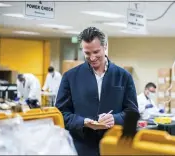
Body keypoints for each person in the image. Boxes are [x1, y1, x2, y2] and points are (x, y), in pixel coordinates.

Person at [55, 27, 138, 156]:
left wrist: (114, 119)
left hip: (114, 146)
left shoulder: (124, 76)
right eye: (87, 53)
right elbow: (61, 113)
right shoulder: (70, 77)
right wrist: (83, 122)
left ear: (105, 47)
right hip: (81, 148)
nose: (92, 58)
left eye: (96, 52)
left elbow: (132, 114)